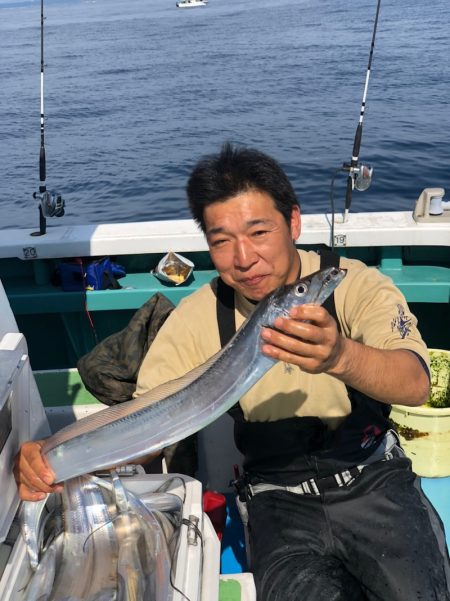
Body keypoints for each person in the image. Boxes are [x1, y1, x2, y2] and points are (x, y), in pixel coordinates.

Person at [14, 143, 449, 600]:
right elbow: (144, 429)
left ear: (293, 223)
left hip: (372, 480)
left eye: (258, 232)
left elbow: (416, 383)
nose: (243, 258)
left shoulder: (356, 286)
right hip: (277, 500)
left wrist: (341, 356)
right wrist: (51, 457)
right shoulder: (198, 318)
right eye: (222, 241)